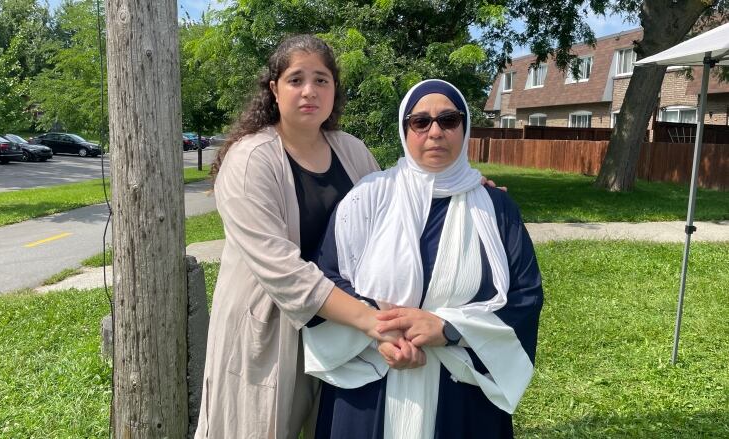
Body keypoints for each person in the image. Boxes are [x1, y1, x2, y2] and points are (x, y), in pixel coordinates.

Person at [194, 34, 425, 439]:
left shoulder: (351, 151)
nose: (309, 91)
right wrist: (372, 321)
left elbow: (398, 213)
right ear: (274, 89)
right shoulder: (251, 159)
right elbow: (283, 270)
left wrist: (464, 192)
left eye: (321, 80)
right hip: (268, 331)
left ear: (335, 90)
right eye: (296, 79)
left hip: (341, 328)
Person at [302, 79, 544, 439]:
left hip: (461, 393)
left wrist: (449, 329)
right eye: (421, 122)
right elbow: (328, 278)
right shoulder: (366, 198)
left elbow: (525, 296)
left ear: (464, 129)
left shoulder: (496, 209)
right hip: (372, 379)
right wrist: (383, 333)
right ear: (405, 130)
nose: (435, 132)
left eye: (448, 120)